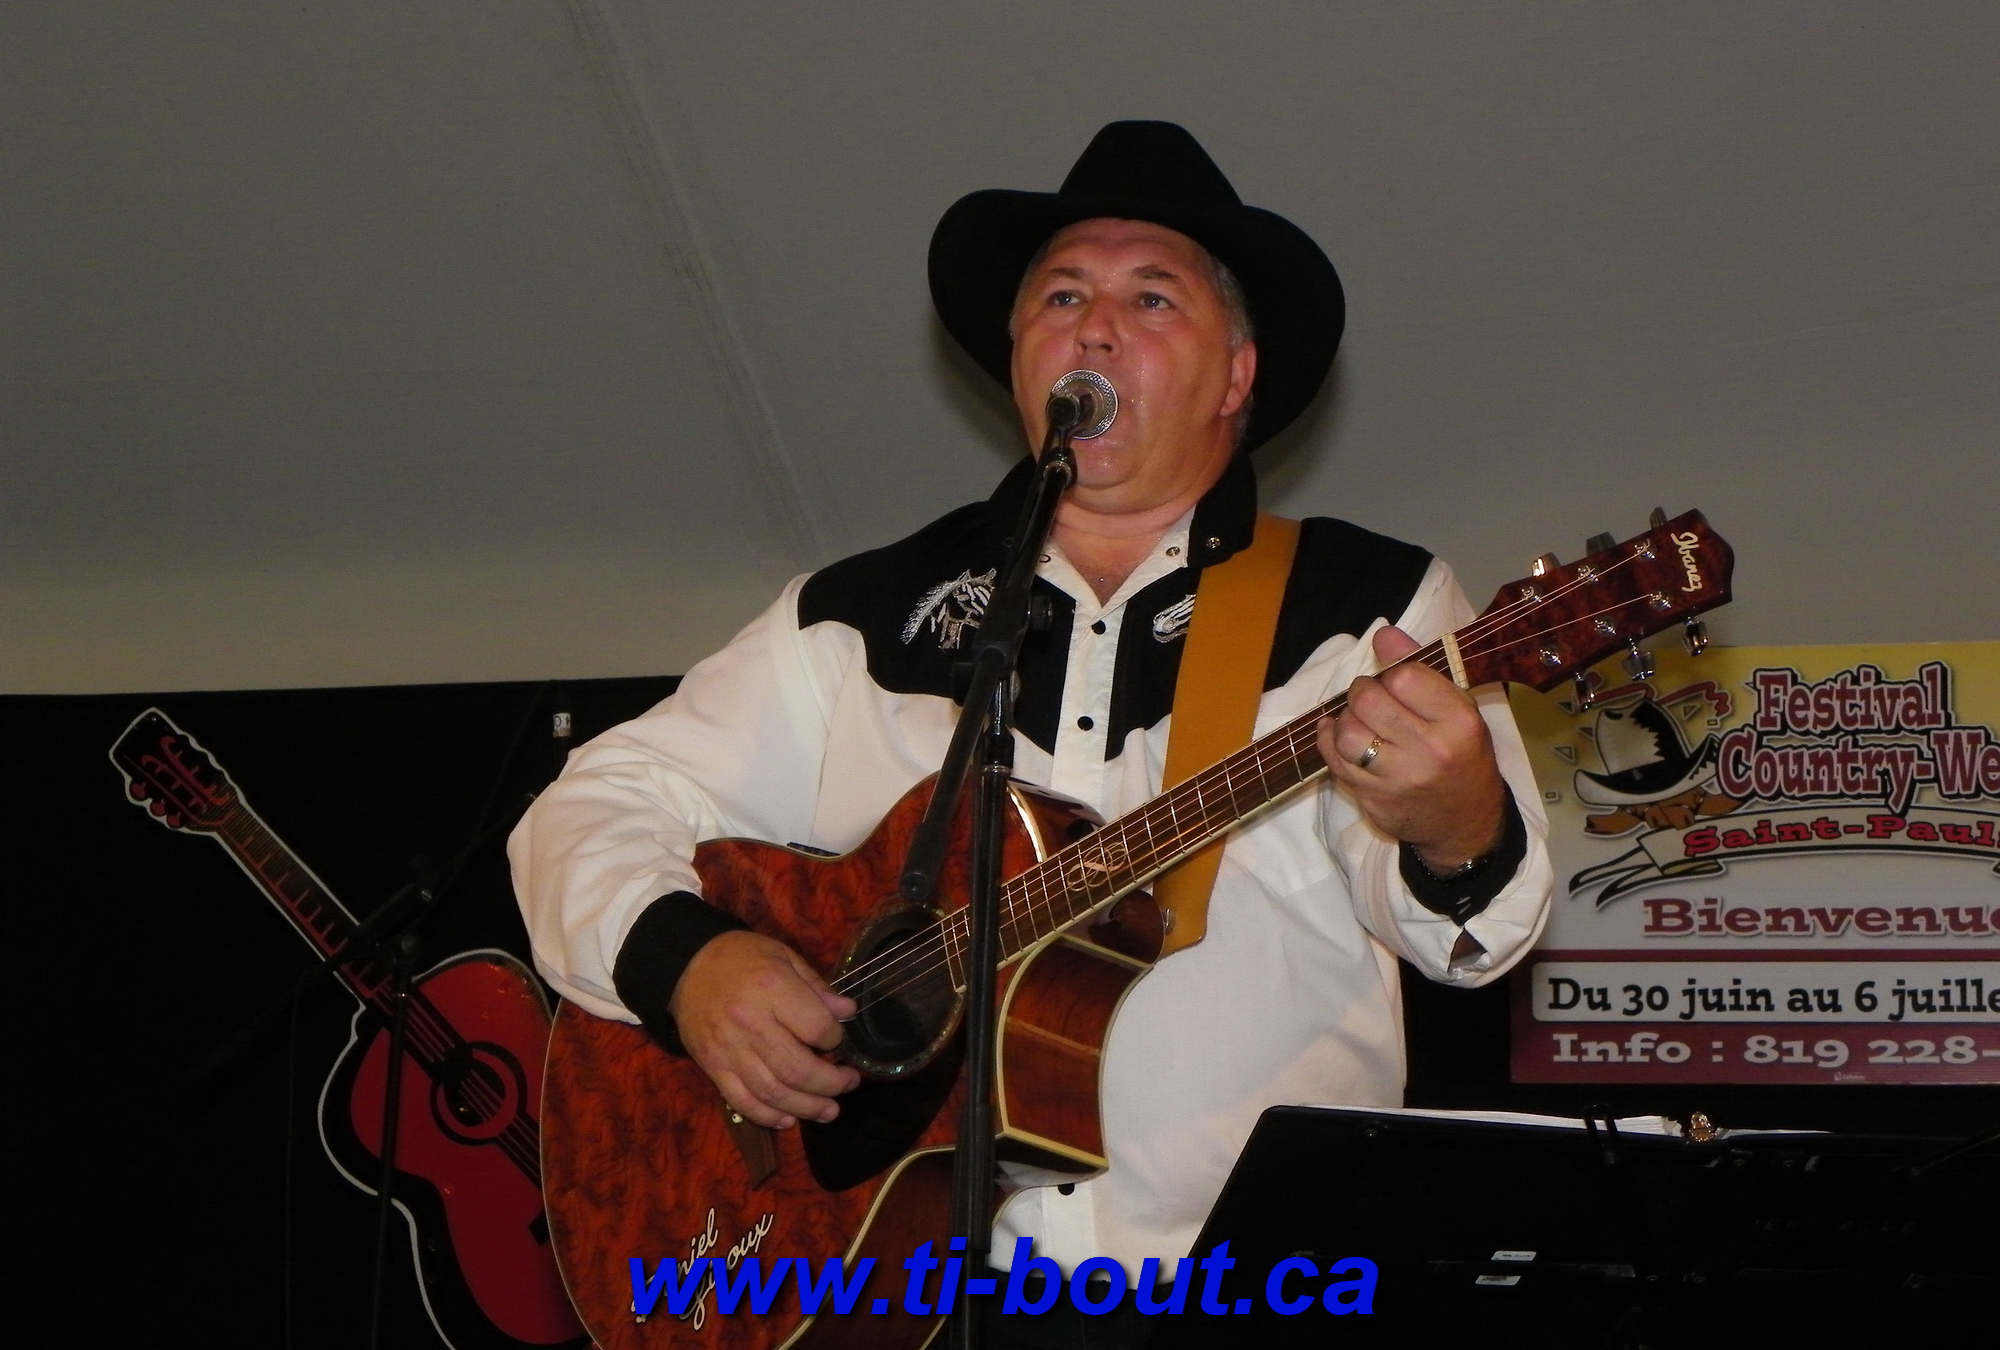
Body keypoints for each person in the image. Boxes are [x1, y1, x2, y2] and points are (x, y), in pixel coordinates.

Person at [508, 121, 1553, 1346]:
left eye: (1150, 298)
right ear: (1018, 358)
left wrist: (1455, 824)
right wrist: (689, 965)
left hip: (1249, 1289)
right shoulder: (860, 613)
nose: (1094, 327)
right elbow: (585, 811)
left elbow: (1471, 935)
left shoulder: (1364, 607)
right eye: (1061, 295)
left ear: (1234, 377)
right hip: (903, 1293)